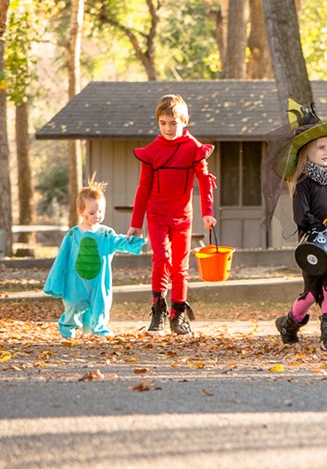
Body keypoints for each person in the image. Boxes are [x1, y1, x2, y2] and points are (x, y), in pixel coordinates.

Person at [270, 103, 327, 352]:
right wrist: (321, 226)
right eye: (321, 147)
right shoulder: (303, 182)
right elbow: (301, 215)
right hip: (313, 243)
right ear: (307, 151)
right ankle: (289, 323)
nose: (326, 152)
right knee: (312, 291)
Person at [130, 93, 217, 336]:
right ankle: (158, 309)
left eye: (173, 123)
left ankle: (177, 315)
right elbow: (143, 188)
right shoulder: (152, 151)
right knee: (161, 258)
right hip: (156, 215)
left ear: (184, 121)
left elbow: (204, 180)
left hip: (182, 217)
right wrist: (136, 224)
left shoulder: (194, 149)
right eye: (163, 123)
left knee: (180, 266)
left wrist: (207, 212)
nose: (168, 128)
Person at [43, 182, 148, 337]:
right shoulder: (73, 235)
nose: (97, 215)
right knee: (73, 304)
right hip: (75, 282)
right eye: (92, 212)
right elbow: (61, 259)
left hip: (99, 281)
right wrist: (56, 281)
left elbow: (120, 242)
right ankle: (67, 326)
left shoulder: (106, 234)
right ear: (81, 211)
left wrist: (134, 241)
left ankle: (98, 329)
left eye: (100, 211)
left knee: (100, 305)